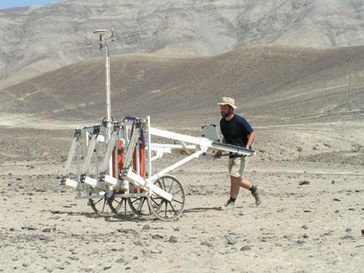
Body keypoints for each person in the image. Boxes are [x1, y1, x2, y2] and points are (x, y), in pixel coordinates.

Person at [214, 97, 261, 208]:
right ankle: (254, 189)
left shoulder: (239, 121)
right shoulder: (222, 122)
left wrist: (247, 146)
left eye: (225, 108)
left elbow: (252, 133)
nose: (222, 110)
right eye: (221, 108)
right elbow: (225, 138)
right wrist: (220, 151)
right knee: (235, 179)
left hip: (242, 153)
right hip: (232, 153)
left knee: (235, 177)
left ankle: (232, 201)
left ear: (231, 109)